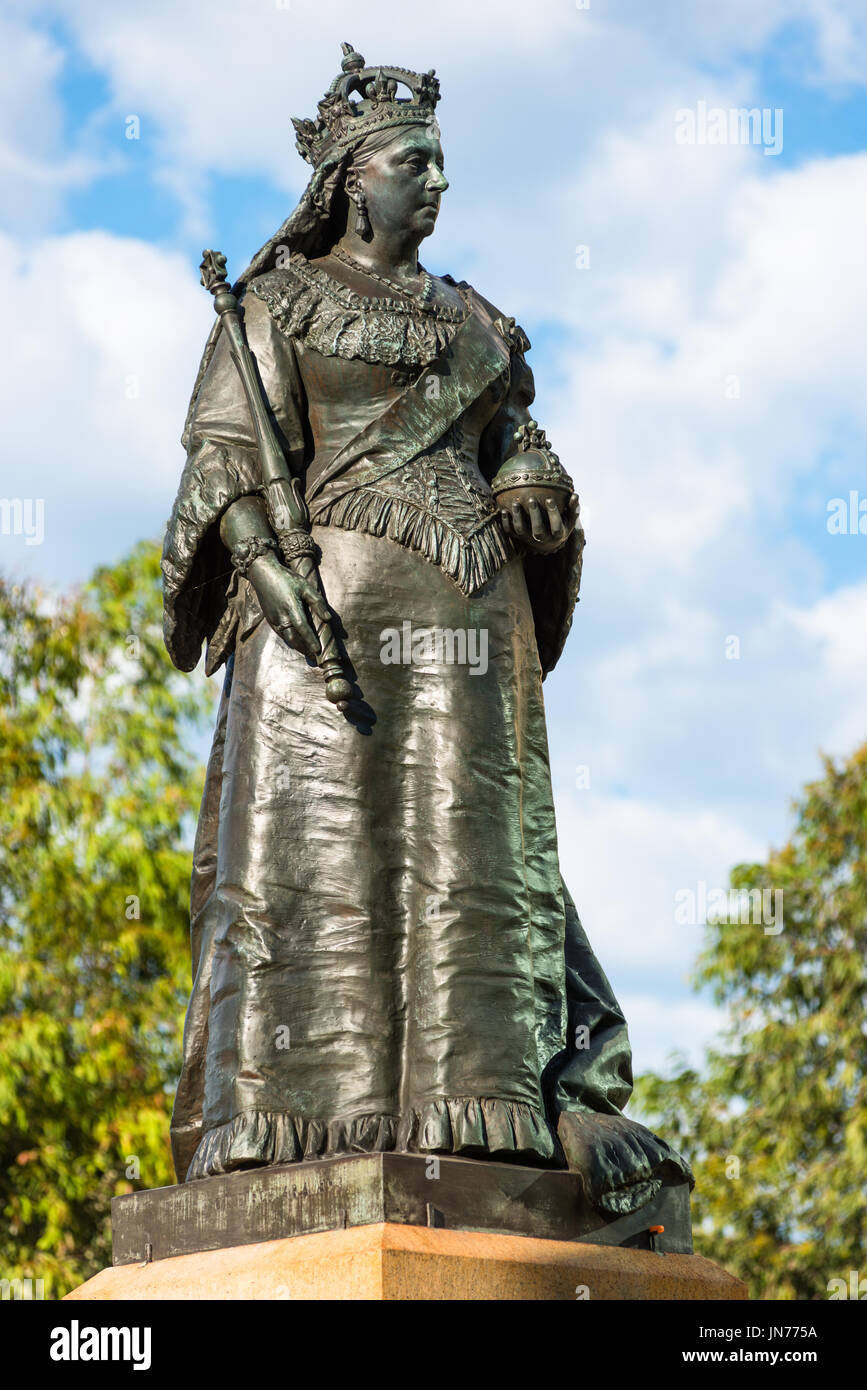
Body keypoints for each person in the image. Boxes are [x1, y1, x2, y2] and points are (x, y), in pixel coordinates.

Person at [162, 44, 691, 1215]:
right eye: (415, 161)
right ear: (354, 179)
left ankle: (487, 1107)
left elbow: (513, 444)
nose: (438, 182)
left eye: (443, 163)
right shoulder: (271, 304)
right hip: (323, 627)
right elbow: (225, 457)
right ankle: (290, 1120)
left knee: (472, 858)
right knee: (316, 854)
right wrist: (260, 558)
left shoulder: (476, 323)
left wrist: (537, 494)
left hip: (470, 620)